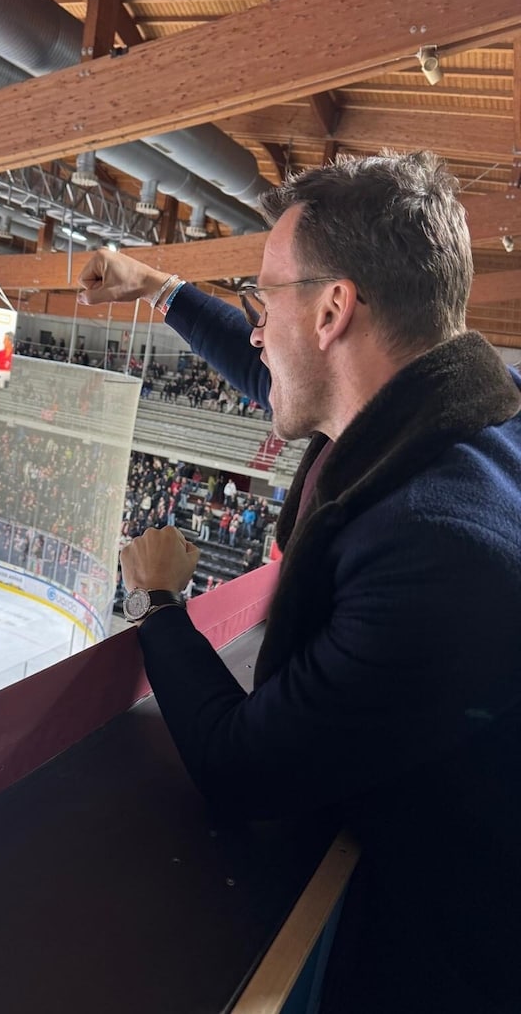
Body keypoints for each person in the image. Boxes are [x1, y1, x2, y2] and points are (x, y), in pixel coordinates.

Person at [78, 151, 521, 1014]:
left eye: (264, 298)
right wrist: (156, 286)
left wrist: (158, 601)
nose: (254, 328)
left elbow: (242, 768)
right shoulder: (450, 409)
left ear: (332, 308)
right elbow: (277, 381)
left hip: (448, 963)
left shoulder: (437, 547)